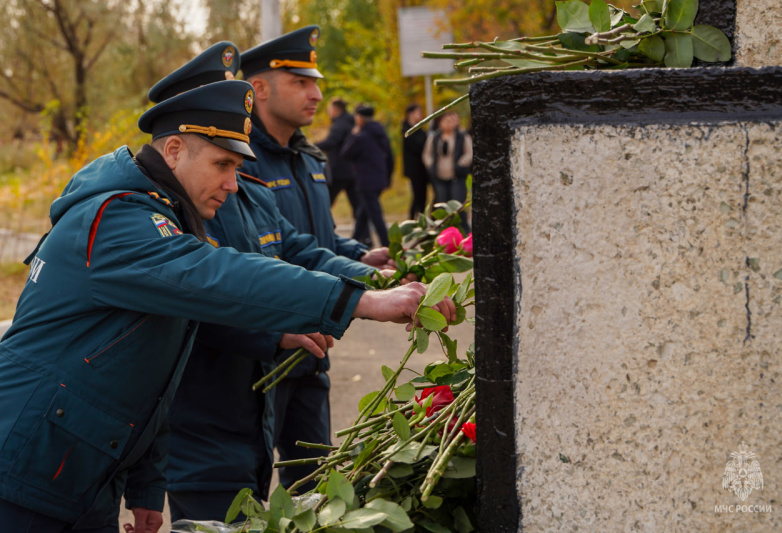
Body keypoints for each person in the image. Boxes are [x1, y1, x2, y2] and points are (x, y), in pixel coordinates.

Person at [0, 79, 454, 533]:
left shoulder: (163, 216)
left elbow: (152, 376)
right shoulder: (118, 218)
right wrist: (361, 300)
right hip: (25, 469)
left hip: (79, 473)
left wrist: (145, 487)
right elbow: (222, 274)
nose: (232, 184)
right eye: (222, 164)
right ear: (174, 150)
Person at [152, 43, 380, 522]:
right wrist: (275, 330)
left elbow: (298, 249)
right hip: (204, 427)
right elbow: (202, 295)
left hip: (253, 413)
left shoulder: (247, 194)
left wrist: (369, 277)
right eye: (224, 162)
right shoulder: (161, 214)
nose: (235, 177)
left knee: (298, 497)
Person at [239, 26, 396, 493]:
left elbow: (314, 238)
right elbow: (265, 255)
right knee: (245, 491)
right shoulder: (238, 160)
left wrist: (363, 257)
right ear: (259, 89)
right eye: (300, 83)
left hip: (314, 347)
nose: (317, 94)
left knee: (314, 487)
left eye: (316, 82)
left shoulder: (309, 157)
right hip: (262, 353)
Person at [341, 104, 394, 247]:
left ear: (359, 119)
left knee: (375, 215)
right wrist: (388, 178)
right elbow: (390, 156)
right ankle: (353, 242)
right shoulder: (380, 133)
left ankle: (387, 244)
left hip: (366, 181)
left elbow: (346, 153)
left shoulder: (361, 136)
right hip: (379, 179)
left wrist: (353, 134)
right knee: (363, 214)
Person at [422, 110, 473, 232]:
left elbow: (469, 153)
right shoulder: (434, 137)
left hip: (457, 176)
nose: (449, 124)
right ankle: (440, 231)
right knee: (440, 205)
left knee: (458, 206)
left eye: (452, 121)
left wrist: (460, 164)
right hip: (439, 177)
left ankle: (463, 232)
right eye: (446, 121)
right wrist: (430, 166)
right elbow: (427, 155)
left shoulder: (462, 137)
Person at [317, 97, 358, 219]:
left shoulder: (339, 125)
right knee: (357, 204)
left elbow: (331, 142)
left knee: (325, 203)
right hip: (353, 170)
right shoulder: (352, 122)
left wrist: (311, 147)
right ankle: (364, 235)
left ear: (335, 109)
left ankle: (318, 225)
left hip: (339, 170)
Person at [402, 104, 429, 219]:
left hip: (423, 169)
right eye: (418, 112)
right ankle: (413, 220)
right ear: (410, 114)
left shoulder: (420, 129)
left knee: (422, 197)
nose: (421, 115)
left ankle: (419, 220)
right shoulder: (407, 129)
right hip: (415, 169)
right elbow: (417, 145)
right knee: (418, 197)